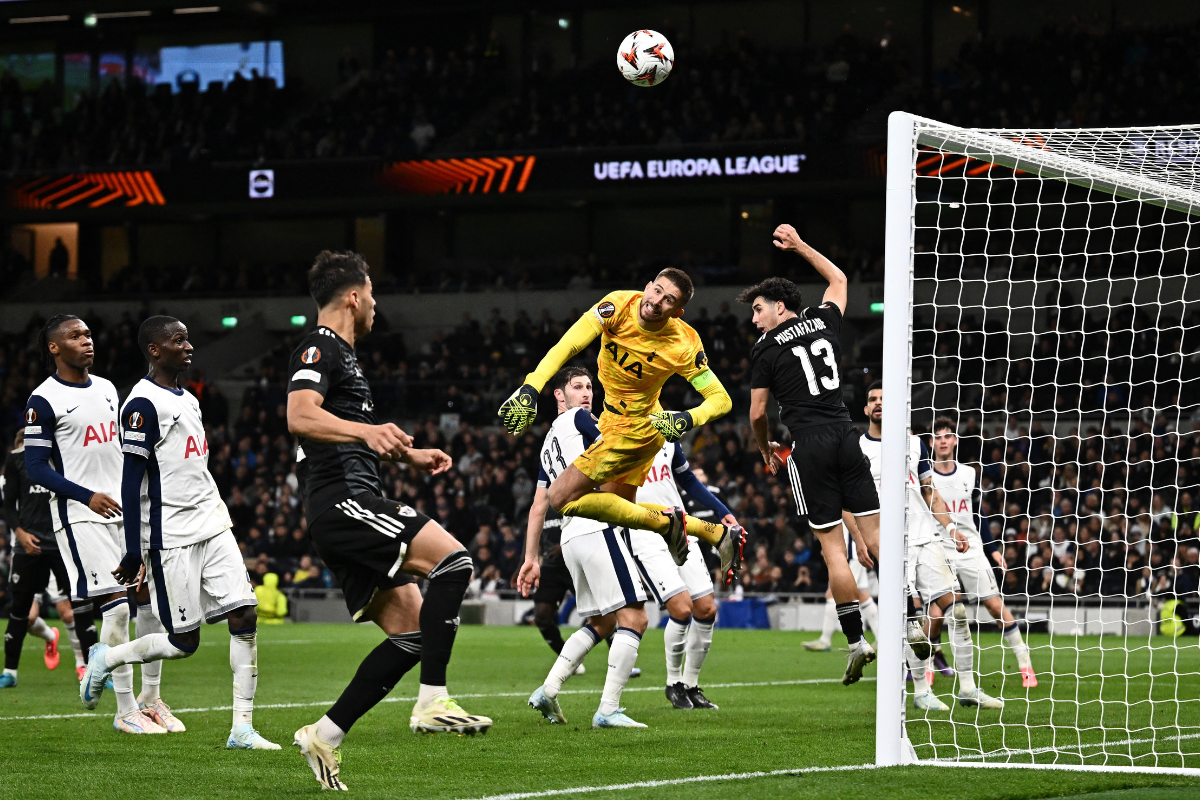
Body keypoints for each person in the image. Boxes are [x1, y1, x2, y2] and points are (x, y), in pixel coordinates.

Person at [286, 251, 489, 791]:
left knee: (415, 632)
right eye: (372, 294)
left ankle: (325, 734)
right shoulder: (318, 345)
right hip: (342, 501)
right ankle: (431, 701)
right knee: (454, 559)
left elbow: (348, 434)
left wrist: (404, 454)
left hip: (348, 497)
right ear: (354, 296)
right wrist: (367, 434)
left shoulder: (347, 359)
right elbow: (299, 416)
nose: (376, 304)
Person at [78, 316, 277, 749]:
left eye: (188, 338)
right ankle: (107, 657)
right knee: (184, 642)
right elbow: (131, 484)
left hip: (213, 522)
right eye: (178, 340)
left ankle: (241, 728)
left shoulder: (188, 397)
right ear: (154, 349)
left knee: (245, 615)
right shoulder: (142, 404)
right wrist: (134, 549)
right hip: (171, 536)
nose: (189, 346)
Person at [498, 268, 745, 584]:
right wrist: (531, 386)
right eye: (656, 291)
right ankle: (715, 533)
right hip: (613, 419)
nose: (656, 302)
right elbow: (567, 345)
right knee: (623, 512)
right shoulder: (617, 306)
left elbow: (721, 400)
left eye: (669, 300)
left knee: (560, 497)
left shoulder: (683, 343)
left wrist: (687, 418)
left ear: (677, 311)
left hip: (636, 430)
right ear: (647, 286)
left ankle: (674, 525)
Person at [738, 228, 881, 686]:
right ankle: (912, 618)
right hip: (847, 434)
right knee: (878, 541)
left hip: (809, 445)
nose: (754, 319)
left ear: (780, 307)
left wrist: (765, 448)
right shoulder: (822, 320)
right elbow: (839, 279)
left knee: (834, 551)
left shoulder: (764, 349)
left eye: (758, 309)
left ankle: (857, 641)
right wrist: (800, 246)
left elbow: (758, 412)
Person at [24, 314, 174, 734]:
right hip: (80, 516)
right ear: (54, 347)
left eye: (89, 334)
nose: (87, 341)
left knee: (149, 604)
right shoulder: (43, 399)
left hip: (124, 512)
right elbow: (35, 467)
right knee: (117, 606)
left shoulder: (109, 389)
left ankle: (152, 699)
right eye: (75, 336)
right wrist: (87, 495)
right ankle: (124, 710)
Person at [851, 383, 1003, 711]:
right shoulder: (857, 448)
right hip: (889, 544)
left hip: (926, 537)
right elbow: (847, 504)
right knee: (912, 620)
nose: (878, 404)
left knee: (957, 610)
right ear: (866, 410)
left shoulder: (915, 444)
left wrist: (950, 528)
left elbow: (929, 491)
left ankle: (967, 687)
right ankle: (920, 691)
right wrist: (859, 539)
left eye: (884, 399)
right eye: (872, 399)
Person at [518, 366, 649, 729]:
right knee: (635, 618)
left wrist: (530, 559)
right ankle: (608, 709)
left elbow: (538, 507)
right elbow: (614, 447)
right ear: (560, 395)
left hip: (570, 536)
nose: (587, 392)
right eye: (577, 387)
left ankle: (548, 689)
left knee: (603, 622)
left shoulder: (547, 445)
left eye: (590, 386)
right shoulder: (579, 418)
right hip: (596, 525)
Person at [628, 438, 736, 710]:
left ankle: (691, 684)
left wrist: (722, 510)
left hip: (680, 529)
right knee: (681, 609)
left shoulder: (667, 434)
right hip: (644, 534)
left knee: (707, 609)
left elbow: (687, 479)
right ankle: (673, 683)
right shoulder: (614, 432)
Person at [930, 416, 1037, 688]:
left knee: (993, 604)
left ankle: (1025, 665)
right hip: (939, 548)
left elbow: (979, 515)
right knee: (938, 611)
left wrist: (993, 550)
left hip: (971, 548)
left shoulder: (968, 474)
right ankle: (927, 667)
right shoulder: (925, 477)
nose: (943, 441)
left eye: (947, 436)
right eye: (938, 436)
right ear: (932, 442)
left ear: (954, 440)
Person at [2, 427, 97, 687]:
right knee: (22, 613)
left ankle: (88, 669)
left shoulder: (66, 456)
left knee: (78, 609)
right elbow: (8, 504)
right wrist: (20, 533)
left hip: (63, 544)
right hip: (28, 545)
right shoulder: (16, 459)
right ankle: (10, 673)